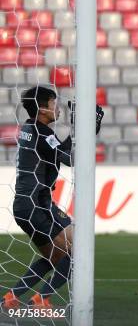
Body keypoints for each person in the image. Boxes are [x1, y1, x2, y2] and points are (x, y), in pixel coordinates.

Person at [1, 86, 103, 309]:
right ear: (41, 108)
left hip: (27, 205)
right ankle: (41, 299)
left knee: (55, 257)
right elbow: (69, 158)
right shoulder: (42, 133)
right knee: (78, 251)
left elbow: (59, 151)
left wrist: (78, 129)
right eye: (52, 103)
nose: (57, 108)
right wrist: (86, 129)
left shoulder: (32, 129)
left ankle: (12, 298)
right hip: (37, 205)